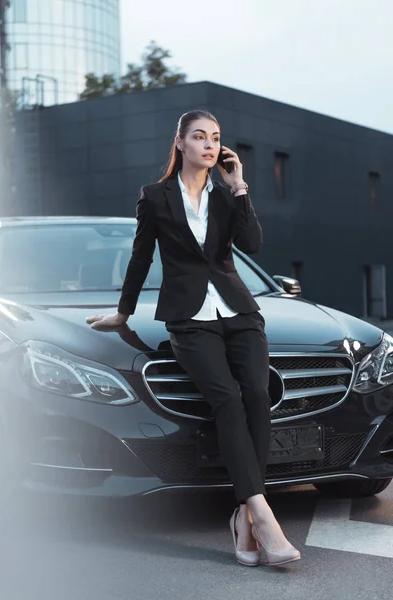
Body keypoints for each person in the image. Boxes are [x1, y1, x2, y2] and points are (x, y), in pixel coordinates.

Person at [86, 110, 301, 567]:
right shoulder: (155, 197)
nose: (208, 145)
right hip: (188, 318)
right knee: (225, 398)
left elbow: (254, 244)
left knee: (257, 396)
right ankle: (261, 515)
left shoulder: (226, 196)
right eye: (199, 137)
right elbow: (141, 258)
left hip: (239, 310)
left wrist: (239, 185)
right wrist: (123, 312)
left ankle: (245, 516)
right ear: (180, 142)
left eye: (215, 138)